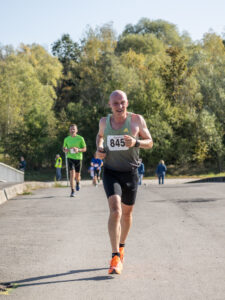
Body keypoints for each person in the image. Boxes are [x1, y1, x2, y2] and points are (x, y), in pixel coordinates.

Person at [96, 90, 153, 275]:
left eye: (122, 103)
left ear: (127, 102)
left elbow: (150, 142)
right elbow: (100, 137)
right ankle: (114, 257)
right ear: (109, 105)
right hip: (111, 171)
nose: (119, 107)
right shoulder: (104, 122)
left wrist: (136, 143)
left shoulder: (137, 120)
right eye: (115, 104)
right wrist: (99, 148)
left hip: (131, 172)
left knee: (127, 214)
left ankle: (121, 247)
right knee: (115, 210)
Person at [63, 124, 87, 197]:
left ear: (76, 130)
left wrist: (78, 150)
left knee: (77, 176)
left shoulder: (80, 138)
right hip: (70, 158)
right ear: (69, 130)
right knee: (72, 174)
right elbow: (64, 148)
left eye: (74, 129)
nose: (72, 130)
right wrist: (65, 150)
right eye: (71, 129)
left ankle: (77, 183)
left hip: (78, 158)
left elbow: (85, 149)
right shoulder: (66, 139)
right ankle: (72, 191)